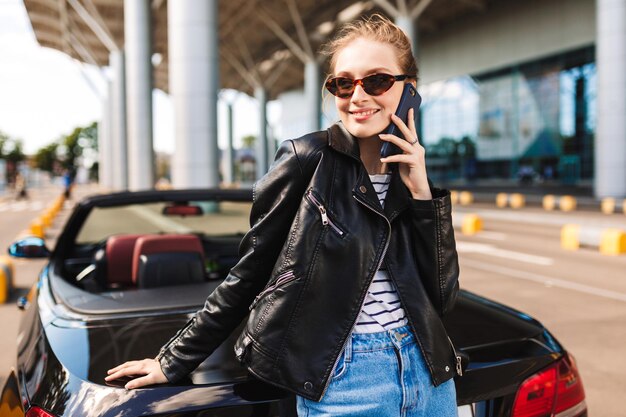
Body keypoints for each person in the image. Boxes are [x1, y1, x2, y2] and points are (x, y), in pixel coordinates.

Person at [106, 14, 460, 416]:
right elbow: (249, 272)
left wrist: (421, 193)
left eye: (377, 80)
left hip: (428, 371)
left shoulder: (410, 177)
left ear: (409, 89)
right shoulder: (305, 159)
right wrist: (173, 360)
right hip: (347, 378)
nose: (358, 96)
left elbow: (442, 296)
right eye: (344, 83)